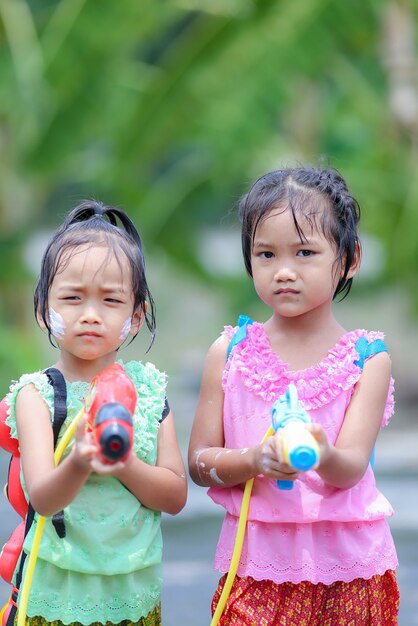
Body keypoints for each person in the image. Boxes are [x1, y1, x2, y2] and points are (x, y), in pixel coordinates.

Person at [188, 167, 399, 625]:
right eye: (266, 254)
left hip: (351, 571)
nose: (284, 271)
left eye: (305, 252)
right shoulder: (230, 353)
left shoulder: (367, 360)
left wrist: (323, 453)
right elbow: (200, 462)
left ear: (349, 259)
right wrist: (253, 460)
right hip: (254, 568)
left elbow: (350, 469)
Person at [4, 200, 187, 626]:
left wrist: (122, 463)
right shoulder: (39, 396)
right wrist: (83, 459)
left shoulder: (149, 392)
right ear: (42, 310)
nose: (90, 315)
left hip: (132, 589)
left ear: (135, 316)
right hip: (58, 591)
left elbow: (175, 495)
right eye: (71, 298)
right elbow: (44, 499)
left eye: (110, 300)